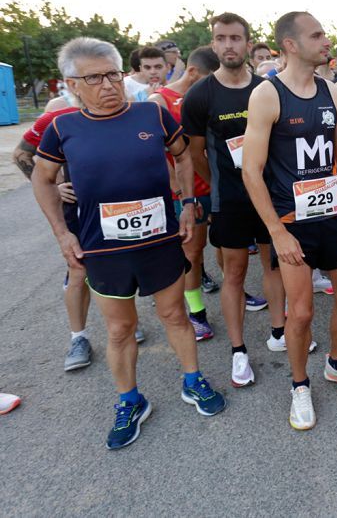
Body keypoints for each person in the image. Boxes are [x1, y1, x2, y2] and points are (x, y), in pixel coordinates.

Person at [32, 37, 225, 450]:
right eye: (94, 78)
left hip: (158, 238)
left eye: (113, 75)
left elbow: (183, 155)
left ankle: (193, 381)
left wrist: (188, 203)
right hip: (103, 247)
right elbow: (41, 178)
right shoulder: (63, 127)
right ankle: (130, 401)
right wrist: (62, 233)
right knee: (120, 329)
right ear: (72, 84)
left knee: (174, 315)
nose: (108, 85)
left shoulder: (151, 114)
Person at [242, 11, 337, 430]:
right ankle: (299, 385)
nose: (327, 40)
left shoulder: (334, 92)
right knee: (299, 314)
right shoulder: (267, 94)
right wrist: (276, 232)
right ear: (291, 45)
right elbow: (251, 169)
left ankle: (336, 363)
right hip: (292, 221)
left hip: (335, 213)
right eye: (316, 35)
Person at [181, 12, 287, 389]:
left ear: (247, 43)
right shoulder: (199, 95)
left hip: (270, 198)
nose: (229, 45)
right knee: (235, 274)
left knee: (274, 265)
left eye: (236, 38)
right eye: (222, 38)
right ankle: (238, 351)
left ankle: (279, 331)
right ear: (213, 44)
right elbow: (195, 155)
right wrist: (223, 186)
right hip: (230, 201)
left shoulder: (267, 89)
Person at [14, 98, 97, 369]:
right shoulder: (57, 118)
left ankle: (130, 325)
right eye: (94, 77)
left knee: (119, 268)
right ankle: (78, 338)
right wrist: (54, 187)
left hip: (118, 209)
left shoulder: (128, 112)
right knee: (78, 270)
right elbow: (21, 155)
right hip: (78, 209)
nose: (105, 85)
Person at [149, 46, 221, 341]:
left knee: (225, 245)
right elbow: (156, 153)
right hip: (185, 191)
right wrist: (179, 191)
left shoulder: (207, 95)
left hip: (214, 184)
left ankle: (237, 290)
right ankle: (196, 312)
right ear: (192, 71)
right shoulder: (160, 101)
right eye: (208, 77)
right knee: (192, 251)